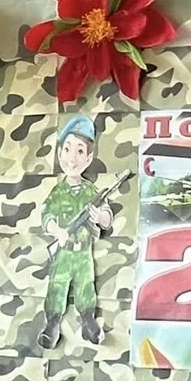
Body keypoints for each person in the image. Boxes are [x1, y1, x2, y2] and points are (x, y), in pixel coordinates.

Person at [40, 115, 115, 350]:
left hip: (83, 254)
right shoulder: (58, 191)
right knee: (57, 287)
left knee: (86, 287)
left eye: (80, 151)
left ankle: (88, 322)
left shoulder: (91, 191)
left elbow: (107, 218)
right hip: (63, 252)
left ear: (89, 158)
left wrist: (99, 217)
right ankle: (52, 325)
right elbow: (46, 215)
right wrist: (57, 231)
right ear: (59, 152)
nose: (72, 158)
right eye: (67, 149)